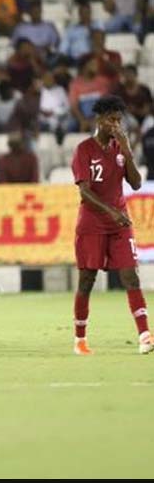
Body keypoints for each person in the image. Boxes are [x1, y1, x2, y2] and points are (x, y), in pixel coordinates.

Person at [70, 96, 154, 355]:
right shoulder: (84, 149)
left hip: (120, 224)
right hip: (92, 224)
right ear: (99, 120)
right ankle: (80, 339)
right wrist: (111, 212)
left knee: (130, 276)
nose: (116, 125)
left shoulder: (120, 148)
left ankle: (145, 336)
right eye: (111, 120)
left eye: (119, 120)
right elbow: (85, 192)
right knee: (87, 280)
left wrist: (127, 150)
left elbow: (136, 184)